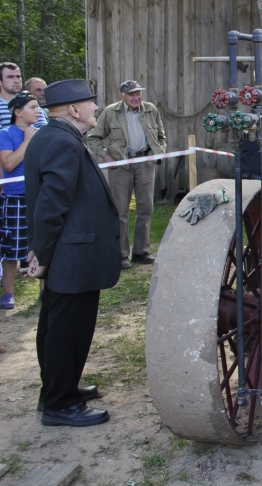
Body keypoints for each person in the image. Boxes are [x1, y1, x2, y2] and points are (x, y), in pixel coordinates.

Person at [24, 79, 121, 427]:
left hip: (68, 255)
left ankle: (57, 390)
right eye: (90, 103)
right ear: (74, 109)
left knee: (56, 326)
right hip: (70, 257)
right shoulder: (62, 142)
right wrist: (44, 256)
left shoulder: (51, 137)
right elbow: (50, 207)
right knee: (67, 330)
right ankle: (60, 404)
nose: (96, 108)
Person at [86, 80, 167, 269]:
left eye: (138, 93)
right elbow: (93, 138)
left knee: (145, 209)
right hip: (120, 166)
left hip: (145, 164)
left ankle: (141, 252)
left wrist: (156, 153)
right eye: (132, 94)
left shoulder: (150, 110)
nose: (136, 97)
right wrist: (106, 157)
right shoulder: (110, 112)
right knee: (120, 211)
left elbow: (162, 137)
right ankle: (121, 255)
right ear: (122, 96)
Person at [0, 93, 40, 309]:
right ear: (18, 112)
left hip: (39, 196)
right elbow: (8, 164)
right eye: (32, 107)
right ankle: (8, 294)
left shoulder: (41, 133)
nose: (38, 111)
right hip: (14, 198)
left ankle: (45, 292)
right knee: (12, 250)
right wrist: (27, 142)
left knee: (42, 244)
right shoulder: (6, 134)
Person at [0, 63, 45, 129]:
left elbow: (45, 132)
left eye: (18, 76)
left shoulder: (32, 103)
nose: (16, 81)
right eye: (10, 77)